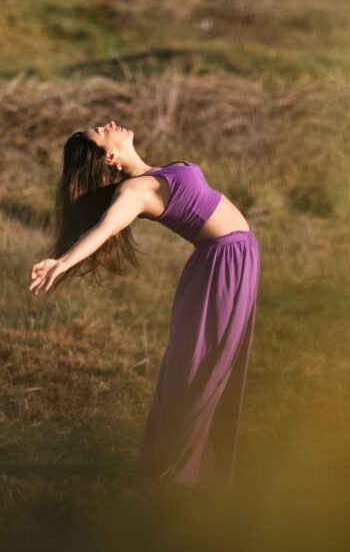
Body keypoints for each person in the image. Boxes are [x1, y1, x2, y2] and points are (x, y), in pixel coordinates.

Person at [28, 120, 261, 491]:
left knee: (215, 358)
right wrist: (63, 262)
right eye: (99, 132)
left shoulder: (152, 173)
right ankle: (183, 468)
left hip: (236, 255)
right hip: (223, 262)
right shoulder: (134, 192)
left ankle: (190, 463)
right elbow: (104, 228)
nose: (107, 124)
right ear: (109, 156)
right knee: (202, 362)